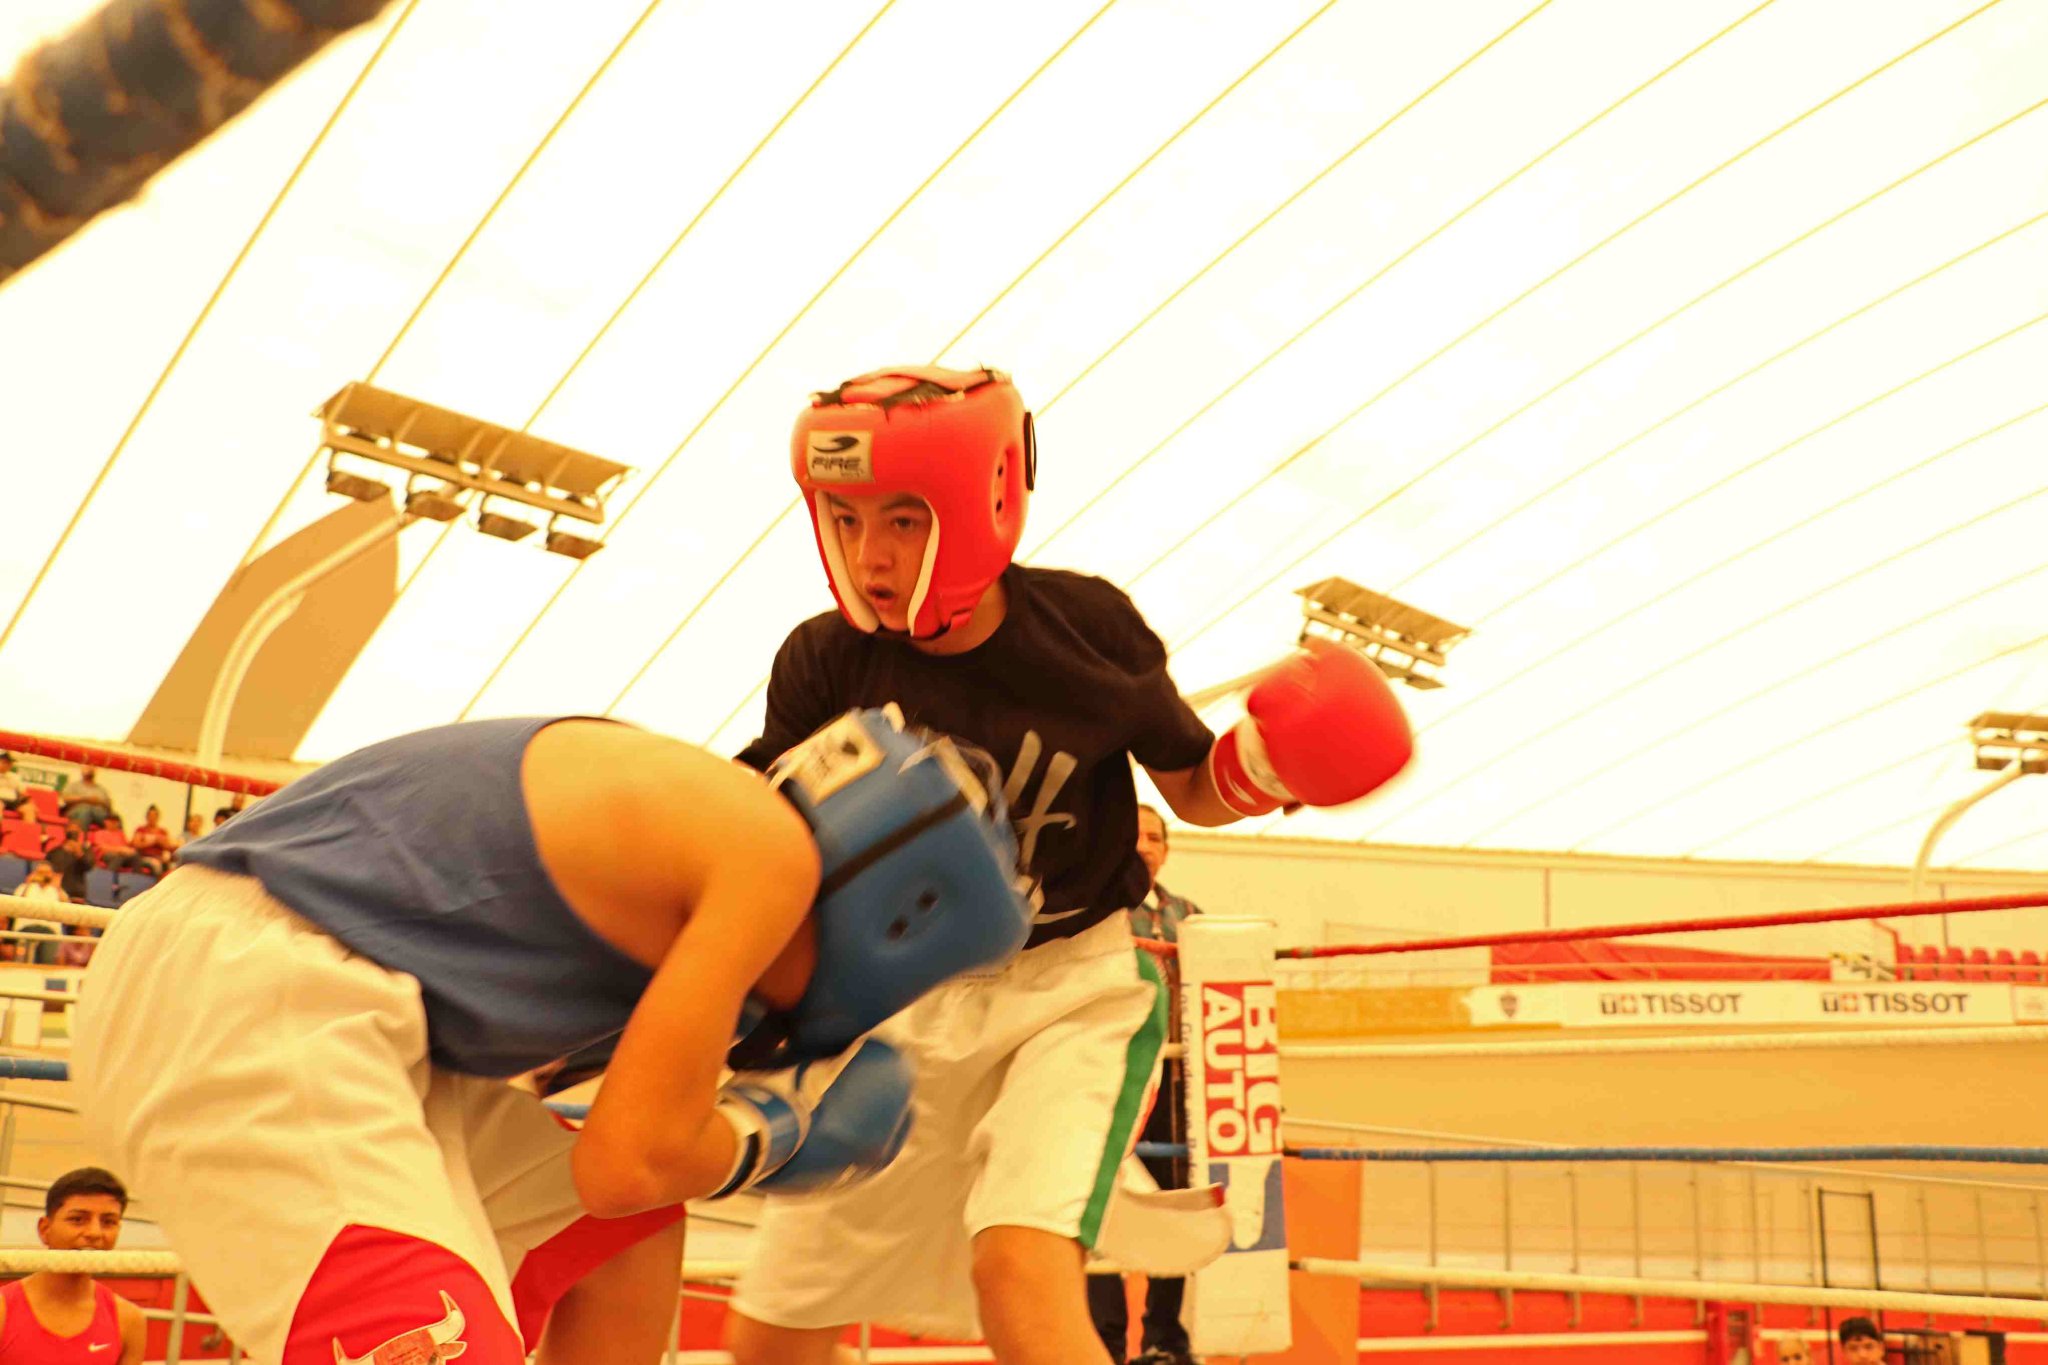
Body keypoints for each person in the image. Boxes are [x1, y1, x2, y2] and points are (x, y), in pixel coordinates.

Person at [723, 366, 1413, 1365]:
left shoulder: (1085, 630)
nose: (871, 556)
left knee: (1021, 1272)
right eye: (845, 519)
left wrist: (1264, 766)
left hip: (1069, 994)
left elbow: (1191, 787)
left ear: (982, 502)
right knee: (771, 1331)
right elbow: (764, 837)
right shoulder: (824, 659)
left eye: (903, 520)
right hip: (895, 1000)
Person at [75, 710, 1034, 1365]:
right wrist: (769, 1131)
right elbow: (627, 1159)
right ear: (888, 922)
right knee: (457, 1323)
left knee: (620, 1240)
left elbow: (615, 1187)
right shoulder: (765, 858)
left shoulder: (688, 841)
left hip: (345, 1011)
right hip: (256, 996)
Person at [1088, 805, 1202, 1365]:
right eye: (1133, 836)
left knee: (1174, 1204)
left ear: (1167, 850)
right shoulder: (1093, 910)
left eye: (1154, 837)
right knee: (1099, 1202)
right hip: (1107, 1077)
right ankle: (1101, 1342)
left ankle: (1164, 1340)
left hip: (1176, 1083)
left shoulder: (1190, 916)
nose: (1143, 847)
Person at [0, 1166, 148, 1363]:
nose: (94, 1233)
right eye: (77, 1219)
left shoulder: (128, 1319)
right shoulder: (3, 1310)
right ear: (45, 1229)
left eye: (108, 1222)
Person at [9, 859, 68, 966]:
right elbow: (15, 906)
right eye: (41, 872)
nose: (44, 875)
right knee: (22, 961)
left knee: (48, 961)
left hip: (50, 930)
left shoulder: (57, 890)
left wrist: (58, 888)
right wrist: (28, 884)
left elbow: (68, 909)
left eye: (47, 873)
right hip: (26, 928)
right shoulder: (24, 887)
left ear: (52, 874)